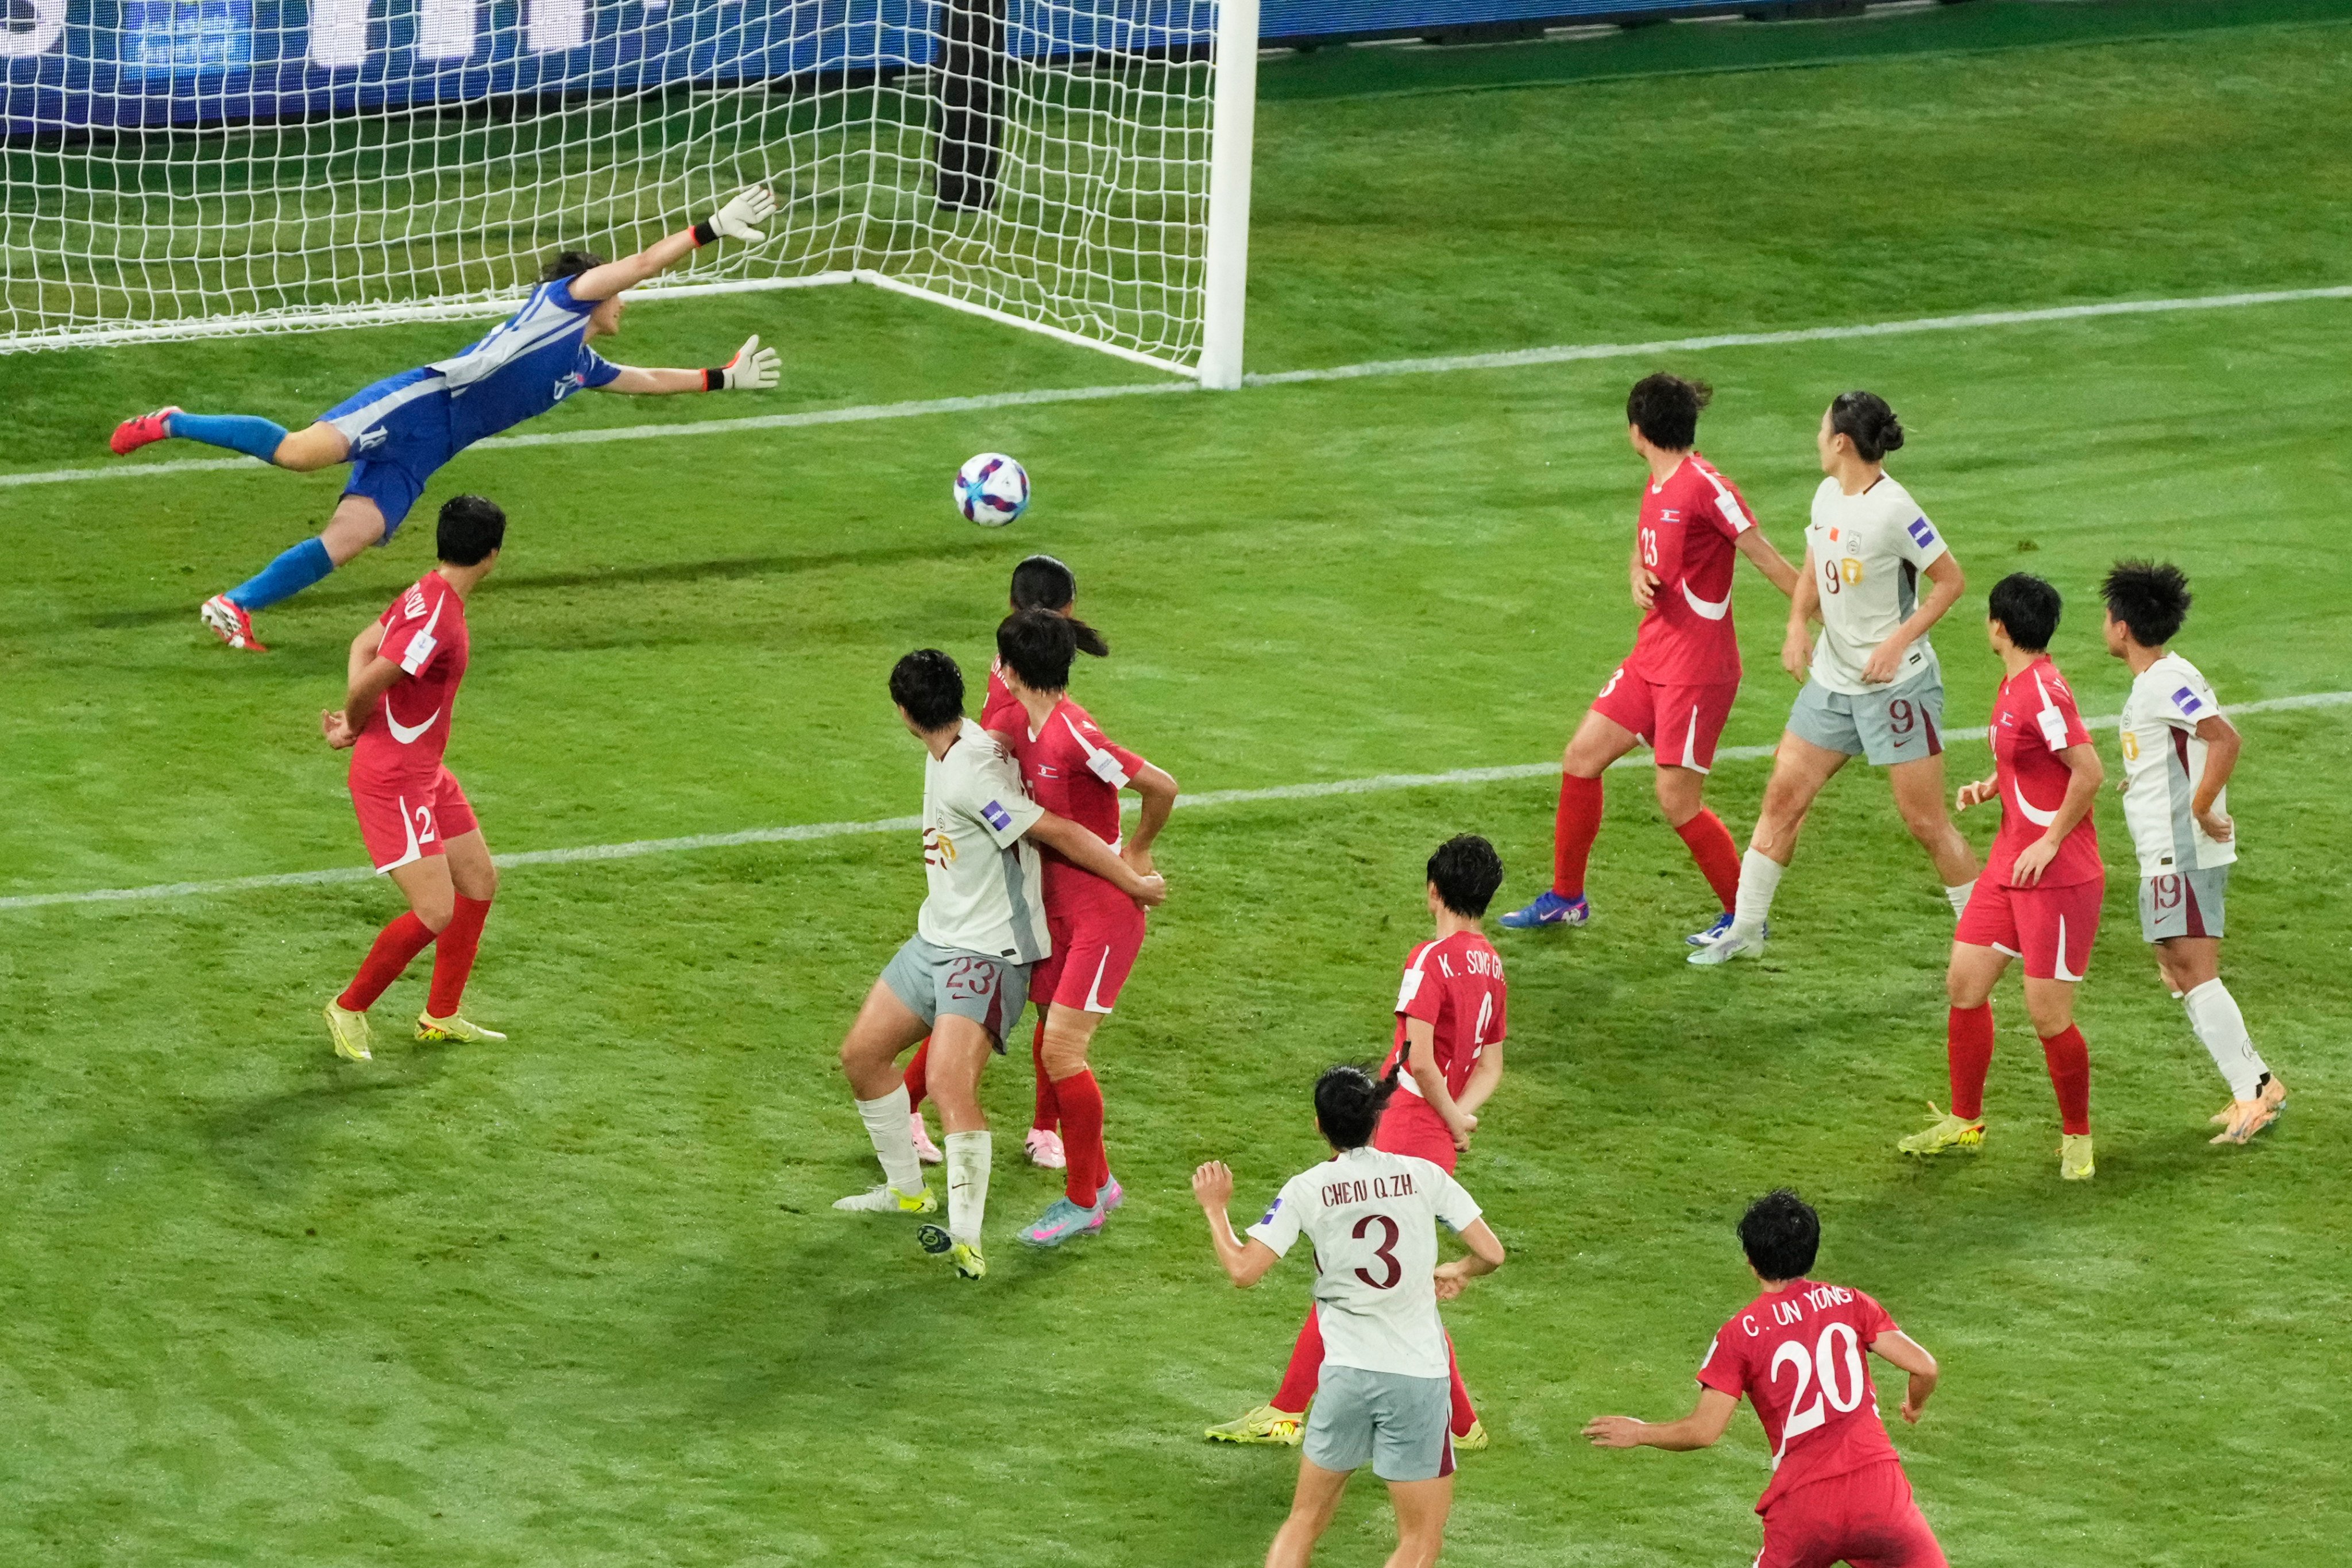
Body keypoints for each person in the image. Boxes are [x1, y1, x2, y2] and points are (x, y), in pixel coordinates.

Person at [109, 187, 786, 652]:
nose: (626, 305)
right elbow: (637, 265)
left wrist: (720, 377)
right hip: (419, 403)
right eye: (622, 297)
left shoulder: (580, 365)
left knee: (349, 539)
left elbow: (646, 381)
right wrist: (708, 231)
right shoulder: (563, 301)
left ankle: (236, 605)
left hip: (431, 451)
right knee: (298, 453)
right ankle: (172, 421)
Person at [830, 649, 1165, 1281]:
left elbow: (1058, 832)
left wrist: (1131, 876)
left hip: (987, 953)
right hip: (935, 939)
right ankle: (906, 1190)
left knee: (956, 1085)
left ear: (903, 713)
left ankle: (965, 1238)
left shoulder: (974, 775)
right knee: (862, 1056)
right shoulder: (959, 752)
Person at [1207, 835, 1507, 1452]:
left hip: (1408, 1123)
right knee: (1394, 1283)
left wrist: (1448, 1117)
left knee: (1353, 1273)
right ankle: (1460, 1422)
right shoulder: (1492, 964)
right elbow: (1491, 1065)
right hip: (1436, 1133)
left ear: (1433, 890)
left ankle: (1288, 1411)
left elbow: (1421, 1062)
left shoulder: (1430, 959)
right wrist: (1461, 1117)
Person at [1501, 373, 1797, 940]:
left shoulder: (1708, 486)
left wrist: (1826, 621)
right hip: (1653, 656)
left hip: (1697, 670)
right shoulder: (1660, 481)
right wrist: (1638, 575)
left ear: (1638, 431)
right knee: (1581, 757)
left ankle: (1747, 919)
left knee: (1677, 800)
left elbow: (1766, 558)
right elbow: (1646, 550)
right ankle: (1568, 898)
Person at [1691, 392, 1976, 965]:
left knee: (1925, 822)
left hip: (1898, 688)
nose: (1817, 439)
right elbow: (1815, 566)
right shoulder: (1826, 496)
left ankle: (1985, 933)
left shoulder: (1895, 510)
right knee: (1782, 798)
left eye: (1822, 430)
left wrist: (1897, 643)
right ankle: (1745, 929)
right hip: (1834, 679)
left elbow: (1950, 581)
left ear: (1842, 442)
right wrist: (1798, 623)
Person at [1193, 1065, 1505, 1568]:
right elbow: (1492, 1252)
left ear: (1319, 1125)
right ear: (1378, 1120)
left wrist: (1215, 1209)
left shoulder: (1307, 1188)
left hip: (1344, 1377)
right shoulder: (1424, 1175)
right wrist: (1460, 1268)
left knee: (1303, 1521)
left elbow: (1243, 1271)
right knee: (1417, 1541)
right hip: (1418, 1378)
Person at [965, 611, 1182, 1249]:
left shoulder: (1075, 735)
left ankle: (1084, 1201)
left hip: (1105, 913)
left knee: (1062, 1051)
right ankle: (1101, 1179)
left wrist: (1135, 858)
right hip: (1054, 907)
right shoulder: (1013, 723)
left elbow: (1162, 788)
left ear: (1011, 668)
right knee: (1051, 1041)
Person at [1584, 1190, 1947, 1568]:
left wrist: (1640, 1432)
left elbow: (1703, 1431)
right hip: (1880, 1494)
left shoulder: (1739, 1334)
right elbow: (1925, 1368)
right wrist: (1914, 1405)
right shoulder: (1851, 1302)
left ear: (1752, 1262)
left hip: (1805, 1507)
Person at [903, 553, 1113, 1170]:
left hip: (1035, 852)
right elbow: (991, 753)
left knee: (1048, 1004)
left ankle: (1044, 1128)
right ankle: (910, 1107)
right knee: (986, 1001)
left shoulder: (1026, 662)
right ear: (1065, 610)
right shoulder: (1012, 681)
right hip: (1022, 858)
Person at [1898, 574, 2104, 1180]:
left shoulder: (2044, 692)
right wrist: (1996, 786)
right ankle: (1965, 1121)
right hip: (2009, 864)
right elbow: (2035, 760)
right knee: (1965, 983)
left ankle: (2078, 1139)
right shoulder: (2019, 684)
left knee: (2048, 1015)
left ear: (1999, 627)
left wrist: (2049, 838)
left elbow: (2088, 772)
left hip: (2058, 876)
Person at [318, 495, 510, 1062]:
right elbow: (369, 681)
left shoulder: (425, 590)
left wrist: (360, 722)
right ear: (492, 555)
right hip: (395, 779)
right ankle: (349, 1008)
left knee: (477, 881)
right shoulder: (438, 622)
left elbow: (362, 643)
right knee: (435, 909)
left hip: (423, 772)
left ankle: (440, 1016)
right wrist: (352, 725)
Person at [2102, 560, 2285, 1144]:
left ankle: (2250, 1093)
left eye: (2107, 616)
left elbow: (2224, 738)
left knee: (2194, 973)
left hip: (2179, 853)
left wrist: (2203, 807)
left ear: (2122, 627)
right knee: (2180, 973)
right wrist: (2146, 780)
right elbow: (2183, 749)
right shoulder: (2164, 677)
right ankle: (2258, 1081)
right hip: (2168, 852)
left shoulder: (2162, 681)